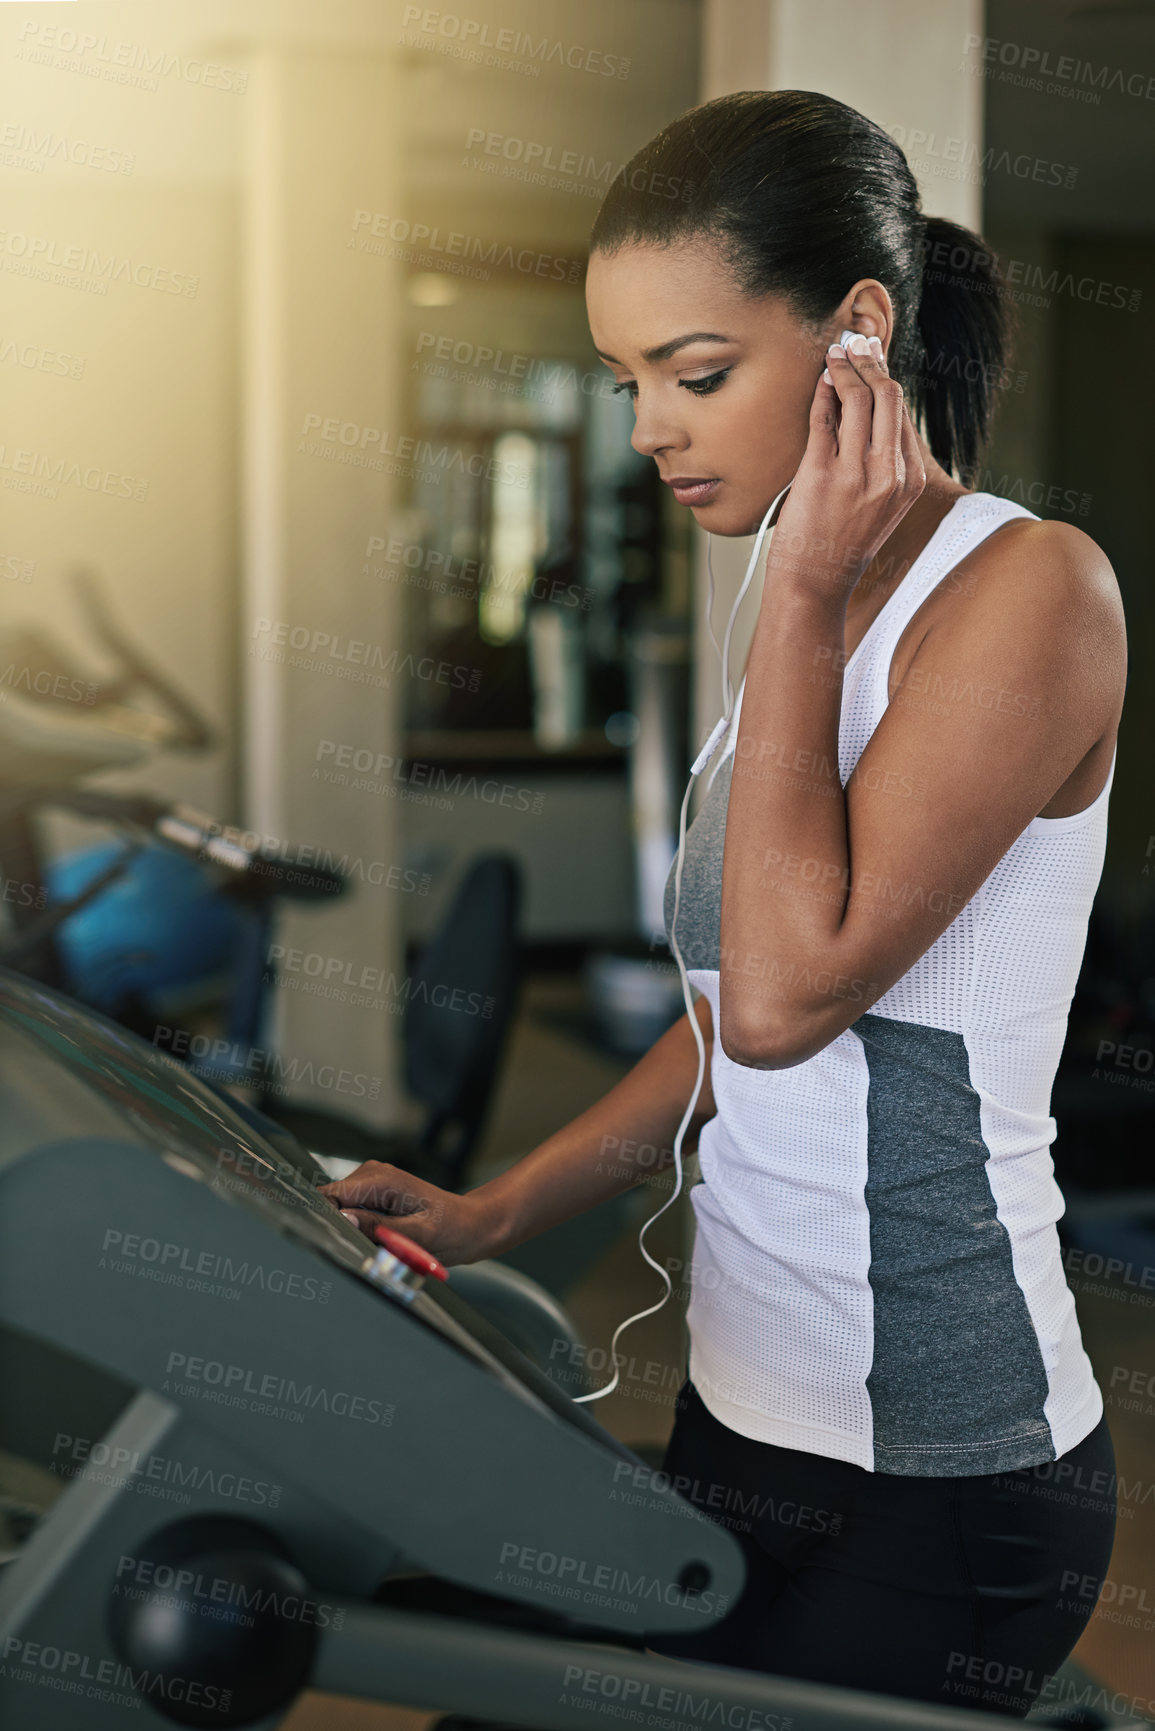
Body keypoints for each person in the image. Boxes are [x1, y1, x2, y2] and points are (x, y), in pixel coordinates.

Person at [322, 90, 1126, 1719]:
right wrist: (493, 1215)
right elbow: (718, 1029)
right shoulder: (800, 594)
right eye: (630, 386)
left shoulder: (1029, 589)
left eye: (694, 377)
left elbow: (785, 994)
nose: (648, 433)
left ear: (857, 335)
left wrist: (811, 602)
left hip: (948, 1480)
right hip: (749, 1420)